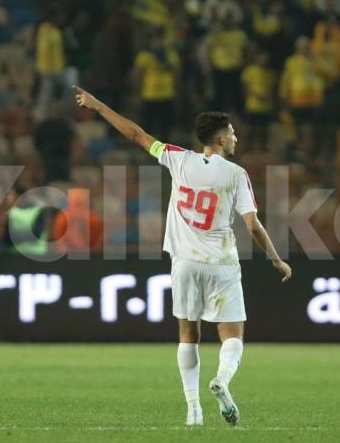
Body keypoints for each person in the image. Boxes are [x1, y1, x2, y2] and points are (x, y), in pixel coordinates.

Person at [72, 85, 292, 427]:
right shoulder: (237, 175)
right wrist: (276, 258)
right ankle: (222, 380)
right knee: (232, 334)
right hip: (221, 263)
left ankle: (193, 409)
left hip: (185, 262)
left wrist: (99, 106)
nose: (235, 138)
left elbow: (135, 134)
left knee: (188, 334)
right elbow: (253, 225)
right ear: (220, 140)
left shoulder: (178, 157)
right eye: (232, 133)